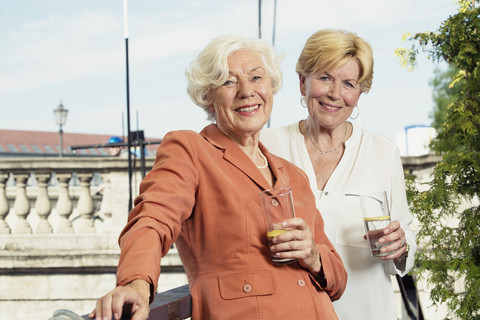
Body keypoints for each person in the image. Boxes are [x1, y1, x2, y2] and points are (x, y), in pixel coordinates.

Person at [89, 34, 347, 320]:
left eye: (257, 78)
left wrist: (312, 255)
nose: (247, 91)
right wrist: (135, 283)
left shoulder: (295, 176)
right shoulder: (190, 150)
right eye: (228, 81)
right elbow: (153, 218)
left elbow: (338, 279)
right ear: (208, 97)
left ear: (271, 88)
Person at [261, 29, 417, 320]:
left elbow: (405, 239)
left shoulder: (383, 151)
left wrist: (401, 245)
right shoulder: (267, 146)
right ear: (302, 81)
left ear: (359, 93)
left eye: (348, 83)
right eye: (324, 78)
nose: (335, 93)